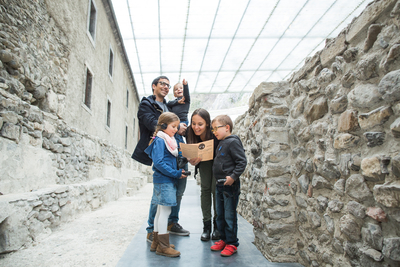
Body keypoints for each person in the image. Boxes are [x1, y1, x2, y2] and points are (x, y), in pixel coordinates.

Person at [131, 76, 190, 243]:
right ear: (154, 86)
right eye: (162, 84)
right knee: (161, 193)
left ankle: (172, 223)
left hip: (177, 146)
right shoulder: (146, 104)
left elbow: (184, 109)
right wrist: (176, 127)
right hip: (163, 149)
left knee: (178, 189)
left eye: (168, 85)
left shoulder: (169, 105)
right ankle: (152, 230)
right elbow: (153, 123)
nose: (166, 87)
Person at [144, 112, 188, 257]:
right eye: (173, 126)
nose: (176, 129)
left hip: (163, 181)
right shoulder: (160, 141)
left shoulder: (164, 139)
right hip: (165, 181)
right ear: (163, 126)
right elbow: (159, 163)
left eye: (177, 126)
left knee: (159, 211)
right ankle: (163, 246)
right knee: (165, 212)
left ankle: (157, 242)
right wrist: (175, 173)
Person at [209, 115, 247, 257]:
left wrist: (233, 177)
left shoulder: (233, 142)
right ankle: (224, 239)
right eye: (212, 129)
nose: (214, 132)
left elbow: (242, 162)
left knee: (229, 215)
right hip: (219, 185)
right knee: (220, 214)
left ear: (227, 128)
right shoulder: (221, 142)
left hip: (229, 186)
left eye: (216, 128)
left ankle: (232, 243)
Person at [186, 108, 220, 241]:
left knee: (215, 190)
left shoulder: (214, 131)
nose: (196, 127)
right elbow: (191, 151)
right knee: (205, 190)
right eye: (193, 123)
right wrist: (191, 160)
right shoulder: (190, 131)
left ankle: (218, 226)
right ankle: (206, 227)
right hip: (203, 162)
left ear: (207, 123)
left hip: (217, 162)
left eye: (200, 124)